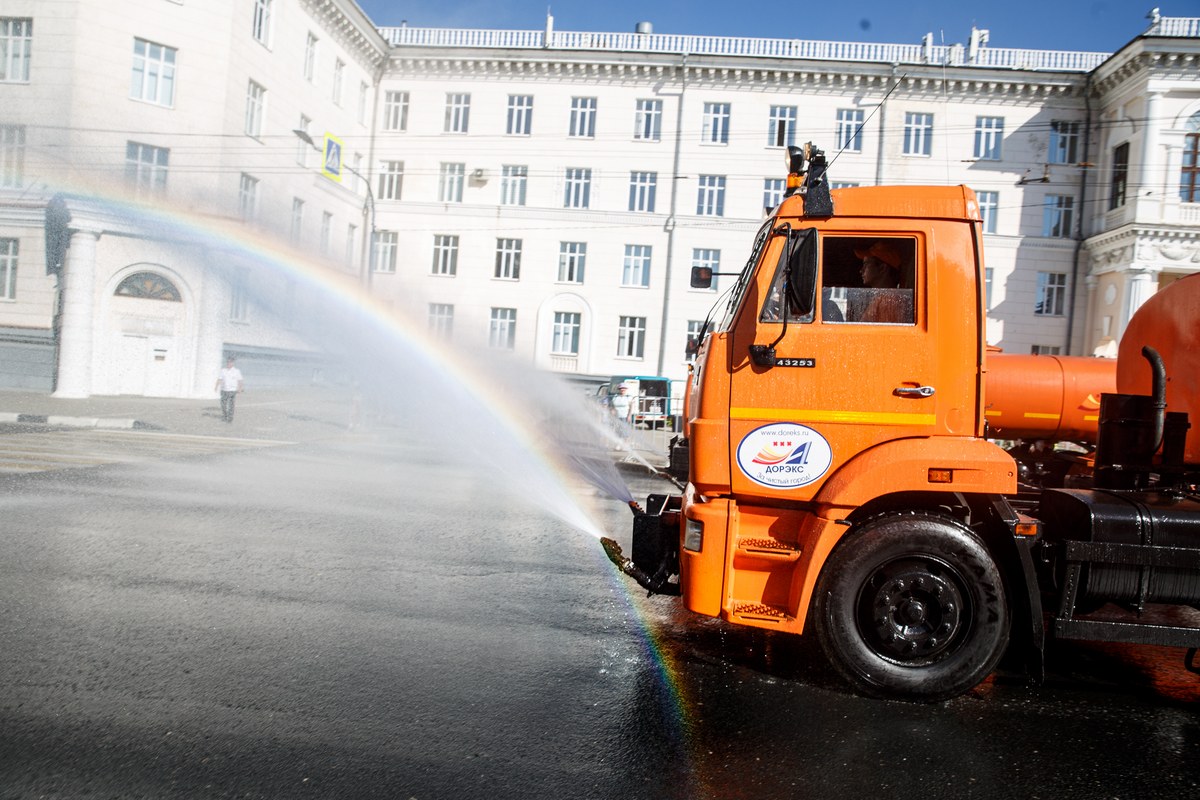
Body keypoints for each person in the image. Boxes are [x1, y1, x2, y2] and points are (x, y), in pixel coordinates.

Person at [853, 241, 909, 323]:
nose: (861, 270)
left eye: (866, 264)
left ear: (882, 268)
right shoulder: (883, 298)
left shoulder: (889, 301)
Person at [214, 356, 244, 422]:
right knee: (223, 405)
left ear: (233, 363)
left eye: (230, 362)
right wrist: (216, 387)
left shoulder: (236, 371)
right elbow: (219, 379)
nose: (229, 364)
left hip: (232, 390)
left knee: (231, 405)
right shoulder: (223, 370)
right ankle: (225, 416)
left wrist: (240, 388)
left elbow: (240, 380)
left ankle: (230, 418)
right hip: (224, 390)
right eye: (228, 362)